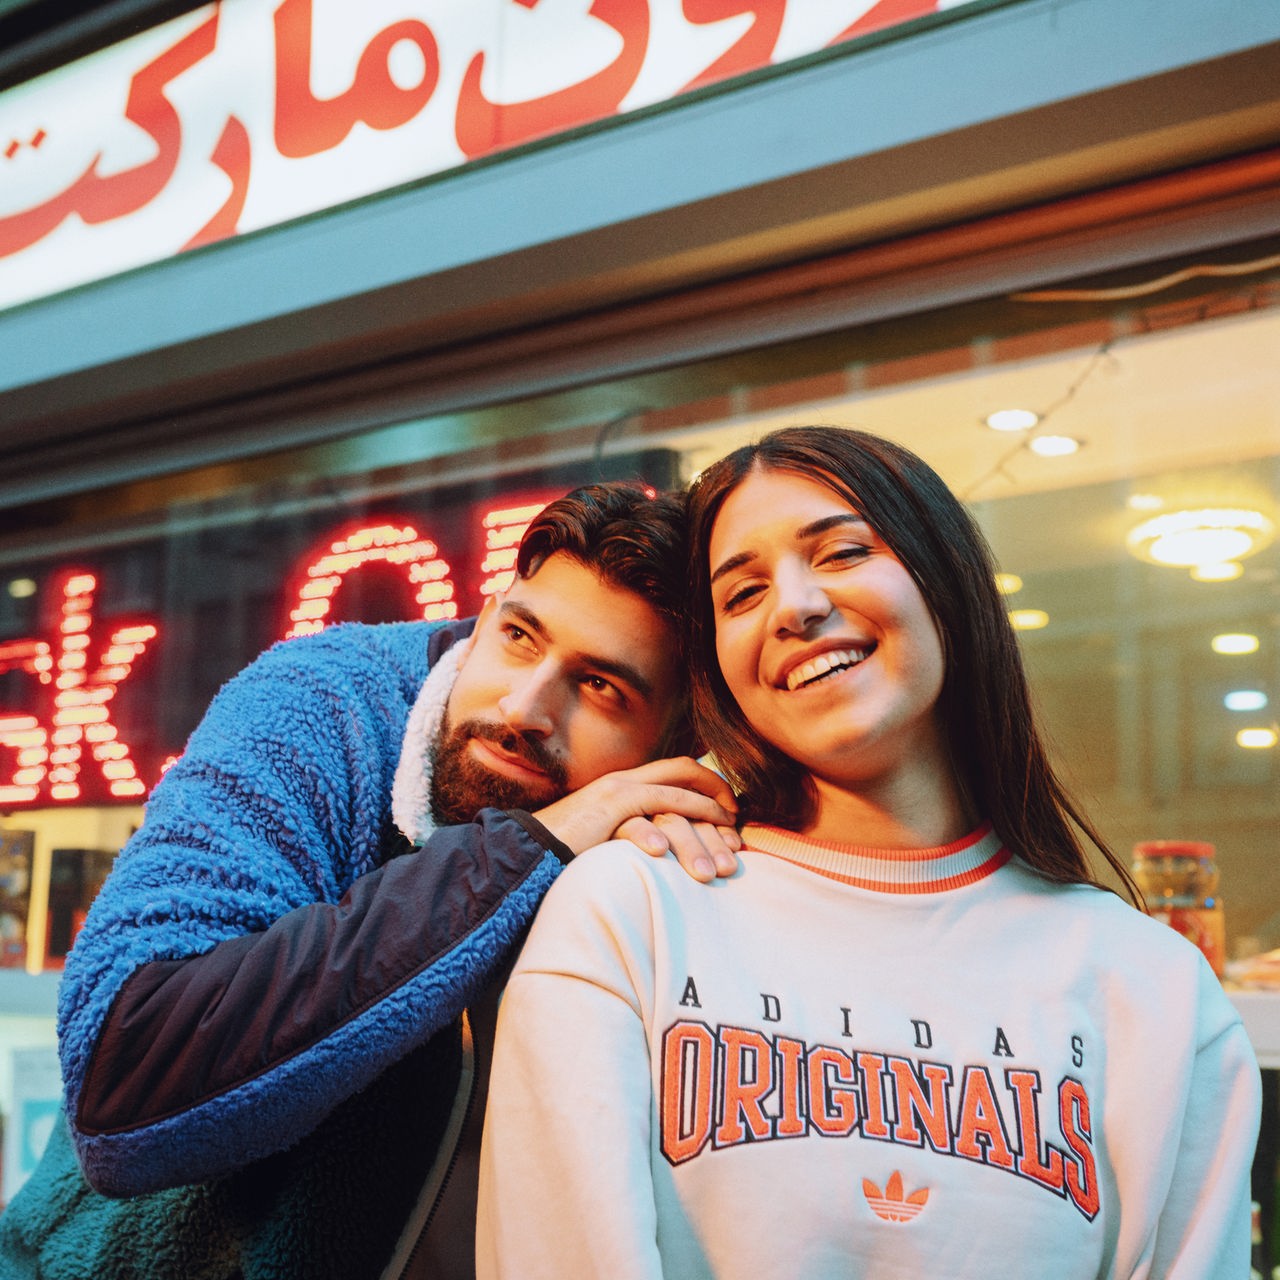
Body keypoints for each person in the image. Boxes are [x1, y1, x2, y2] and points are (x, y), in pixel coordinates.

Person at [477, 427, 1263, 1278]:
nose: (795, 606)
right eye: (740, 595)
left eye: (845, 551)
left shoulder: (1155, 991)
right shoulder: (629, 915)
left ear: (945, 580)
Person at [0, 481, 740, 1280]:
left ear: (676, 744)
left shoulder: (672, 841)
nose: (527, 705)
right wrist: (525, 850)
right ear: (488, 616)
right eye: (521, 637)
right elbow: (127, 1074)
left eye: (601, 686)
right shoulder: (320, 704)